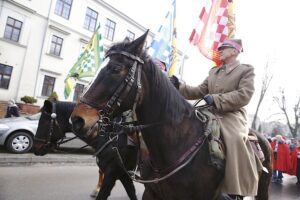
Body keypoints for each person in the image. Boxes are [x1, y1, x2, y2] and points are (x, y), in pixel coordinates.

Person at [170, 39, 262, 199]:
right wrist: (179, 86)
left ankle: (234, 190)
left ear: (234, 51)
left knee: (234, 138)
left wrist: (218, 99)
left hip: (231, 115)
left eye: (224, 48)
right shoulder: (214, 72)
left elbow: (244, 94)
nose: (220, 50)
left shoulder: (246, 70)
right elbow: (198, 91)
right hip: (209, 111)